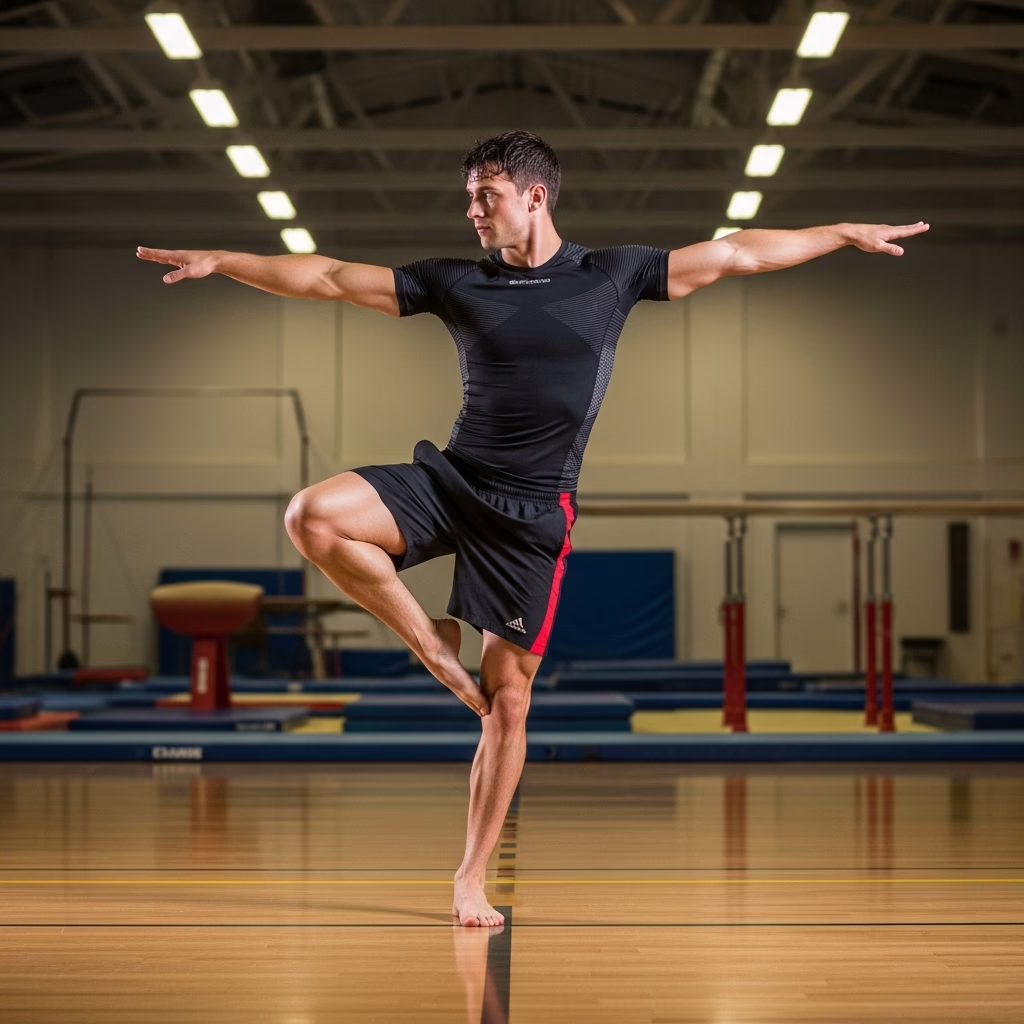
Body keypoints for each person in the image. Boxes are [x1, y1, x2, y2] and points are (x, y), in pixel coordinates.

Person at [137, 130, 929, 927]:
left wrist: (839, 233)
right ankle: (431, 647)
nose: (472, 210)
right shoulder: (456, 281)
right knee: (311, 515)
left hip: (532, 514)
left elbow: (737, 254)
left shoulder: (613, 275)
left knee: (509, 703)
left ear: (535, 196)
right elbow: (330, 277)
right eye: (470, 196)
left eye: (486, 194)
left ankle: (469, 878)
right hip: (454, 480)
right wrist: (224, 259)